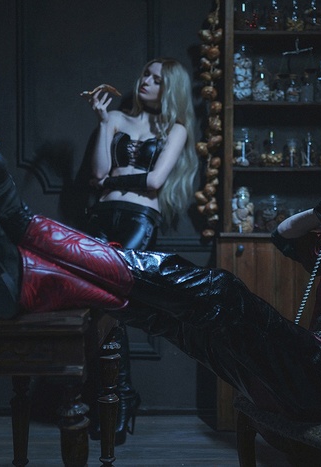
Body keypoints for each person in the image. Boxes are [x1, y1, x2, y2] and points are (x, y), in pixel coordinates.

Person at [0, 146, 321, 466]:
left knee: (220, 293)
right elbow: (283, 237)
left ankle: (26, 229)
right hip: (307, 367)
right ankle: (35, 280)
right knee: (178, 320)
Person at [81, 58, 198, 444]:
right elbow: (98, 173)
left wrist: (115, 180)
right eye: (146, 74)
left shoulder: (176, 129)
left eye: (156, 79)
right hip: (101, 217)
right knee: (96, 304)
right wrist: (102, 123)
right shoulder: (114, 118)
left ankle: (116, 398)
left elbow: (155, 180)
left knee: (110, 302)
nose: (145, 81)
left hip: (139, 221)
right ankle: (118, 396)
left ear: (171, 89)